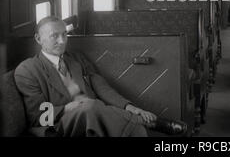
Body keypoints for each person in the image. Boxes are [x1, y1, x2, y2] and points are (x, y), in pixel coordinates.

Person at [14, 16, 187, 137]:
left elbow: (102, 87)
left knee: (135, 131)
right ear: (38, 38)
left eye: (64, 34)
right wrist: (70, 107)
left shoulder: (77, 59)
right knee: (90, 106)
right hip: (61, 124)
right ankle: (147, 122)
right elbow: (38, 116)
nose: (62, 40)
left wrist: (130, 108)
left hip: (98, 114)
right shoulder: (27, 70)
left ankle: (138, 121)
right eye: (54, 36)